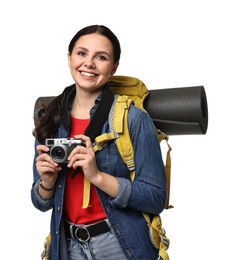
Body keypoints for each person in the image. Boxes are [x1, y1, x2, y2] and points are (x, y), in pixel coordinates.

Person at [31, 24, 167, 260]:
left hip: (120, 245)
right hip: (67, 245)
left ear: (114, 67)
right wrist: (47, 183)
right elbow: (41, 202)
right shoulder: (50, 118)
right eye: (81, 53)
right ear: (69, 58)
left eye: (101, 57)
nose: (89, 64)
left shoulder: (134, 119)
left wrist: (98, 177)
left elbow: (155, 198)